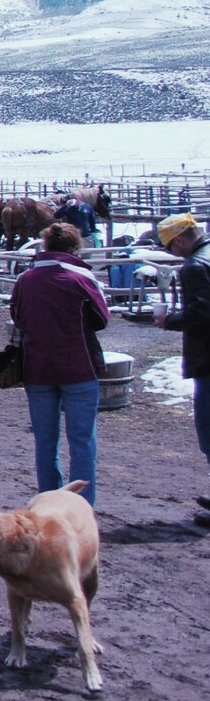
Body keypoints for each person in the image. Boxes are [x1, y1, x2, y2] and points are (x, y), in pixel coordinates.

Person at [11, 222, 108, 506]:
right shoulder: (81, 279)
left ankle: (48, 503)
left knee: (45, 441)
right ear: (74, 247)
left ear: (46, 245)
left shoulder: (26, 279)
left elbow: (17, 316)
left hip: (38, 368)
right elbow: (101, 319)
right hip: (79, 367)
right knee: (82, 442)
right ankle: (81, 507)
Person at [154, 212, 210, 527]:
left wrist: (171, 320)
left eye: (171, 247)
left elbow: (203, 311)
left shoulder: (195, 266)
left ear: (180, 240)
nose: (172, 253)